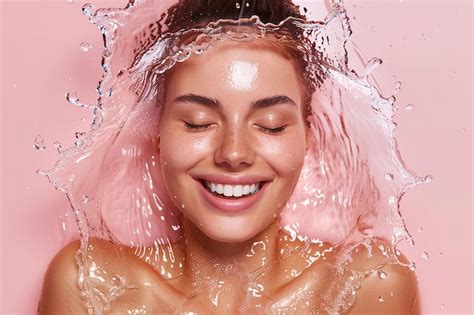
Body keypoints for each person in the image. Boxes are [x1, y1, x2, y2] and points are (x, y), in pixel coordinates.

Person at [38, 0, 420, 313]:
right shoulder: (93, 287)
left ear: (308, 136)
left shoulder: (365, 288)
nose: (234, 153)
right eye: (198, 122)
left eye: (270, 125)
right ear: (156, 134)